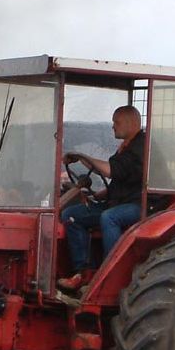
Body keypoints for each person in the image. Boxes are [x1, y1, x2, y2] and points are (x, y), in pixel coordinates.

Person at [58, 105, 145, 291]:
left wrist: (82, 156)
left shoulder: (141, 147)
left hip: (141, 205)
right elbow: (122, 179)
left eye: (116, 122)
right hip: (120, 201)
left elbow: (110, 171)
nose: (113, 126)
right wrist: (95, 195)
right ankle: (83, 272)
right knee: (71, 215)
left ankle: (110, 274)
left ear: (130, 122)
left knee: (109, 217)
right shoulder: (126, 147)